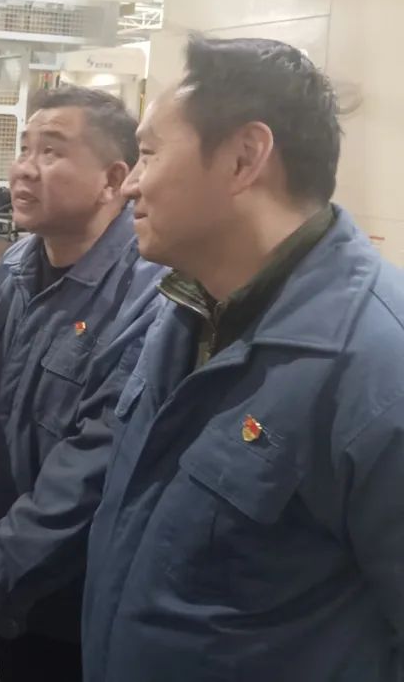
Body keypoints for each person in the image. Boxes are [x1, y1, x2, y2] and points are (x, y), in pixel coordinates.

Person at [82, 35, 404, 681]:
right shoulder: (188, 309)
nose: (130, 184)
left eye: (149, 154)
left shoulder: (374, 367)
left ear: (243, 159)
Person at [0, 86, 164, 680]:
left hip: (78, 593)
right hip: (6, 576)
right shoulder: (18, 265)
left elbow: (96, 463)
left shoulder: (146, 296)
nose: (23, 168)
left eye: (51, 151)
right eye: (24, 148)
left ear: (113, 179)